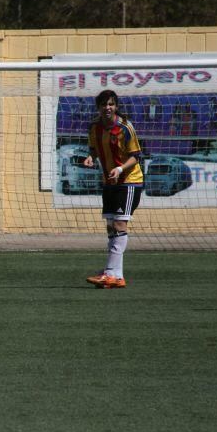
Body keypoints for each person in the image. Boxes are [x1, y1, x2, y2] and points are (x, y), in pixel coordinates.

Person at [83, 89, 144, 289]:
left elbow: (136, 155)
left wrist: (119, 168)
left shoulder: (125, 127)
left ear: (116, 106)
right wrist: (91, 157)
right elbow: (93, 147)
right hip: (109, 182)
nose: (107, 108)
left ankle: (110, 273)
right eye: (103, 104)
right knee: (111, 227)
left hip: (129, 181)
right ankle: (116, 275)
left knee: (119, 225)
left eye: (111, 104)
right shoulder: (94, 127)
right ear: (98, 107)